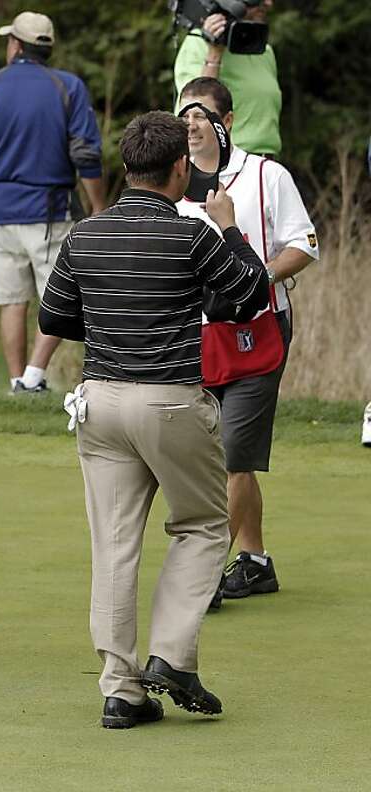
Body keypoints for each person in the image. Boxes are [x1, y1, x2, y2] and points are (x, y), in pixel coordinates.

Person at [39, 111, 269, 728]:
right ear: (179, 169)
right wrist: (231, 229)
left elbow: (54, 321)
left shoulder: (85, 235)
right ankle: (169, 656)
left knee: (114, 546)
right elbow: (250, 295)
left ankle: (122, 691)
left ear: (125, 168)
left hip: (100, 401)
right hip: (169, 399)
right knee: (202, 525)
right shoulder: (193, 235)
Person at [175, 77, 319, 608]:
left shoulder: (265, 174)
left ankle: (207, 573)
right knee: (216, 455)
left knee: (234, 455)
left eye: (201, 115)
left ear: (227, 122)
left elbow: (303, 245)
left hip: (259, 330)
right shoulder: (172, 183)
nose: (190, 124)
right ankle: (254, 561)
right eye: (183, 115)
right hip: (196, 336)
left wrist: (258, 278)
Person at [0, 11, 105, 394]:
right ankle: (32, 376)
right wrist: (98, 208)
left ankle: (19, 380)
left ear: (15, 44)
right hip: (50, 212)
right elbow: (86, 156)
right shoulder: (67, 86)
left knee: (12, 302)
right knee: (62, 298)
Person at [174, 0, 280, 157]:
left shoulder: (263, 49)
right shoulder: (197, 43)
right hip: (224, 164)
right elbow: (194, 110)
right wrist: (214, 53)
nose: (269, 3)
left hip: (266, 164)